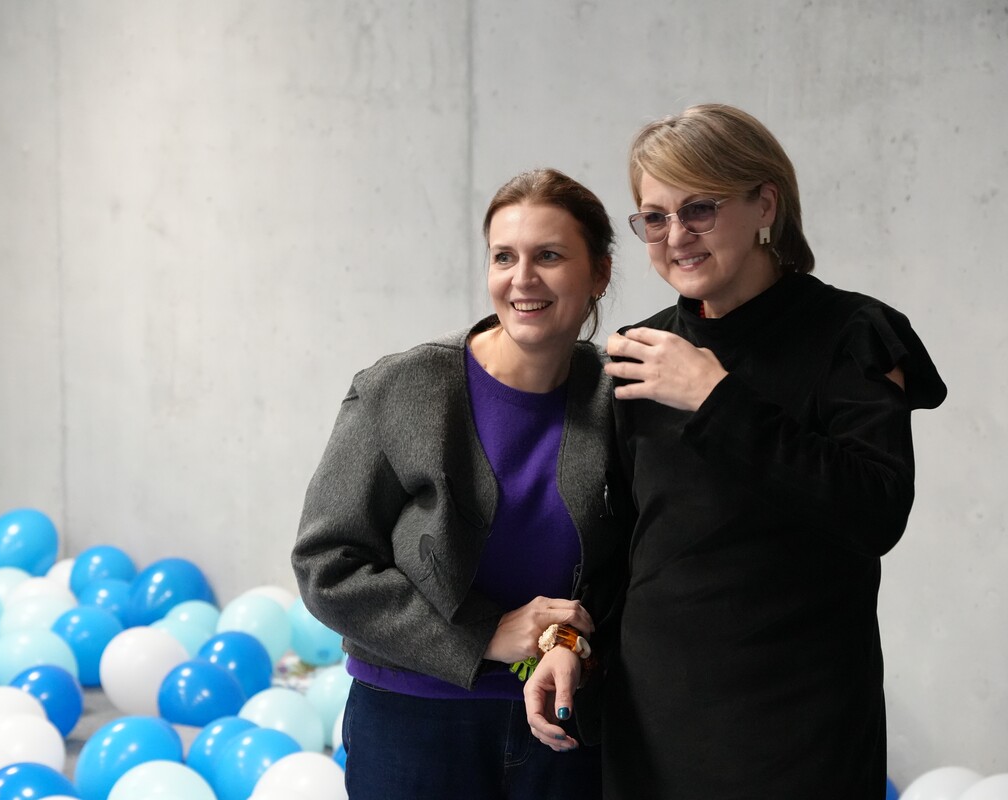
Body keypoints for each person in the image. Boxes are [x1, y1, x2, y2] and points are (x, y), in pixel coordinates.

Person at [524, 104, 947, 798]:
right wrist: (570, 644)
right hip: (653, 722)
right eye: (654, 217)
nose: (675, 237)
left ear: (765, 205)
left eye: (699, 209)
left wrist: (717, 398)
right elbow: (619, 544)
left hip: (800, 727)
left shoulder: (852, 332)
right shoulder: (638, 351)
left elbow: (875, 512)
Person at [292, 168, 630, 799]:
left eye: (549, 256)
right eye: (504, 257)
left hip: (565, 724)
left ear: (599, 274)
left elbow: (636, 568)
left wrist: (571, 645)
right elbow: (325, 564)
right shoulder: (400, 389)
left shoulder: (622, 398)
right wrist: (484, 634)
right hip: (414, 721)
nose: (522, 279)